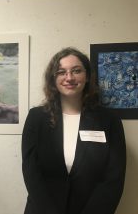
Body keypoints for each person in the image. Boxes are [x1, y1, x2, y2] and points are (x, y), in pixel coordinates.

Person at [22, 47, 126, 214]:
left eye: (76, 71)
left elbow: (114, 179)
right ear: (53, 79)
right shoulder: (36, 118)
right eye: (61, 72)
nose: (69, 78)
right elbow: (31, 171)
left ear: (87, 77)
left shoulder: (109, 121)